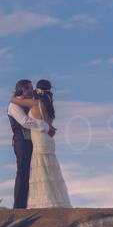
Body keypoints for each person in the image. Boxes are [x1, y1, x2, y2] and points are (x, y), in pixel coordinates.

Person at [10, 79, 72, 208]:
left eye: (33, 88)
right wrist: (47, 127)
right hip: (45, 139)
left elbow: (25, 121)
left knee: (39, 169)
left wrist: (13, 97)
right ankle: (54, 200)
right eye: (30, 88)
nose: (32, 90)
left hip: (38, 139)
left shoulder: (33, 103)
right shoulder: (48, 105)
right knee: (48, 169)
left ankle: (40, 203)